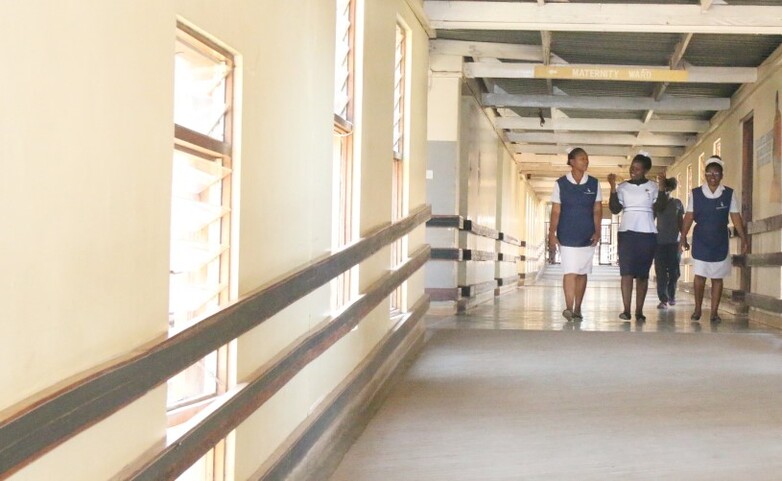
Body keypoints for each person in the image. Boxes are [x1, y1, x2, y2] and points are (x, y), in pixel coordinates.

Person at [680, 156, 749, 323]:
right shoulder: (696, 194)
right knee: (700, 276)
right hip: (701, 239)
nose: (712, 176)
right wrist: (683, 237)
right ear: (705, 174)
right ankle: (697, 309)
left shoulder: (728, 194)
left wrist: (744, 238)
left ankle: (714, 312)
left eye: (716, 173)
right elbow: (689, 217)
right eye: (709, 172)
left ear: (722, 175)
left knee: (717, 277)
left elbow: (736, 217)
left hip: (720, 240)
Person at [608, 153, 666, 322]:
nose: (633, 171)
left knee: (642, 275)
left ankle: (639, 311)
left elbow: (660, 207)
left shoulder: (653, 186)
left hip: (647, 233)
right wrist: (612, 187)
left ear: (645, 170)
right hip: (627, 232)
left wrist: (662, 188)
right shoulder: (623, 187)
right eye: (632, 167)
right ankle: (626, 310)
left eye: (637, 169)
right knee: (626, 272)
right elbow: (614, 209)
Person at [548, 147, 602, 322]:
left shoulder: (594, 183)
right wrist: (552, 233)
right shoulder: (560, 184)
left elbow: (597, 209)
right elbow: (556, 210)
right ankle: (568, 307)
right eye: (581, 159)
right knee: (570, 270)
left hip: (587, 233)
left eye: (587, 159)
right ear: (571, 161)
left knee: (582, 272)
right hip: (567, 233)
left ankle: (578, 308)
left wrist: (598, 231)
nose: (585, 161)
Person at [654, 176, 684, 309]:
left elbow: (681, 222)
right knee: (660, 272)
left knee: (674, 272)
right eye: (663, 189)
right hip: (659, 243)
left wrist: (683, 239)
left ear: (671, 189)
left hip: (674, 243)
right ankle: (663, 299)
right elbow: (650, 220)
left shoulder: (677, 203)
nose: (665, 191)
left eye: (667, 189)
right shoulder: (657, 205)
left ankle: (671, 295)